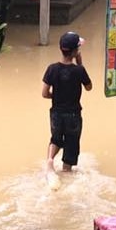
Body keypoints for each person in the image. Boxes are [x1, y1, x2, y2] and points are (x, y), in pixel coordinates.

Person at [42, 31, 92, 173]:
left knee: (55, 139)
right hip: (73, 116)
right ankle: (66, 172)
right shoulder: (79, 70)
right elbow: (89, 87)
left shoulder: (52, 69)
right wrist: (80, 64)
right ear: (75, 52)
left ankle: (50, 160)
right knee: (71, 145)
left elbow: (44, 94)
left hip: (56, 113)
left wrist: (58, 96)